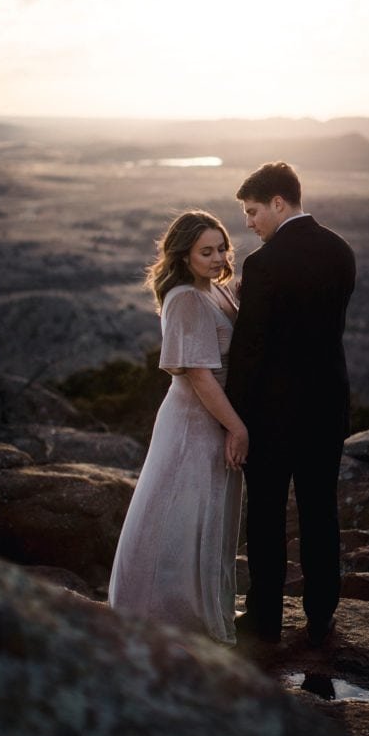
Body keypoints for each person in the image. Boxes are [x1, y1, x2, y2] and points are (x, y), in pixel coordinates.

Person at [225, 162, 356, 647]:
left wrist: (234, 417)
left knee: (266, 515)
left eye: (253, 210)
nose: (249, 222)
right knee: (321, 510)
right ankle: (321, 614)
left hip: (272, 415)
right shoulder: (341, 251)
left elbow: (250, 349)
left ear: (279, 202)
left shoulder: (263, 264)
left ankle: (265, 620)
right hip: (327, 407)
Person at [108, 210, 247, 646]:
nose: (217, 257)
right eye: (206, 251)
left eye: (222, 248)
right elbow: (199, 375)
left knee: (207, 515)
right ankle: (163, 612)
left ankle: (203, 603)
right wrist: (238, 428)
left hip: (215, 418)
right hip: (193, 422)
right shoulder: (185, 298)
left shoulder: (217, 291)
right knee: (180, 514)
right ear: (183, 256)